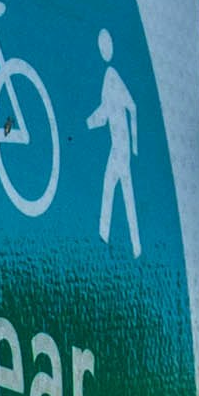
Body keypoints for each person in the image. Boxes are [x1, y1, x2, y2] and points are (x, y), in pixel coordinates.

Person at [88, 26, 144, 254]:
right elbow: (119, 109)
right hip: (119, 149)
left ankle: (104, 237)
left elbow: (126, 107)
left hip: (120, 150)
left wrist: (134, 144)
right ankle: (131, 244)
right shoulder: (110, 76)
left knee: (115, 189)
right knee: (122, 193)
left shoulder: (111, 76)